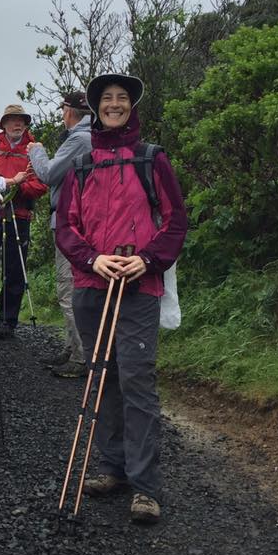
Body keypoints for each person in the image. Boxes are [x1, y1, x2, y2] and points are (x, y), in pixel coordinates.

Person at [56, 74, 187, 524]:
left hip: (139, 287)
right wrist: (92, 259)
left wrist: (147, 260)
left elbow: (175, 221)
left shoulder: (152, 158)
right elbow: (66, 228)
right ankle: (113, 468)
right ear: (96, 108)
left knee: (136, 379)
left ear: (132, 106)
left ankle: (145, 486)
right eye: (107, 98)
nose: (114, 104)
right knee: (103, 375)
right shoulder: (81, 164)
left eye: (122, 98)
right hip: (92, 285)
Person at [28, 91, 93, 378]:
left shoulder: (80, 139)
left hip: (71, 223)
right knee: (74, 288)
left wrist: (36, 150)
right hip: (80, 222)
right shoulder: (92, 137)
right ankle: (72, 347)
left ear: (68, 111)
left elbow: (48, 173)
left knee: (69, 289)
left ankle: (80, 357)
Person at [0, 103, 48, 340]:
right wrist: (3, 185)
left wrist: (18, 188)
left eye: (21, 120)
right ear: (4, 124)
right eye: (12, 120)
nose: (16, 124)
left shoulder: (34, 148)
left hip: (19, 216)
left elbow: (42, 183)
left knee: (14, 270)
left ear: (26, 124)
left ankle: (7, 321)